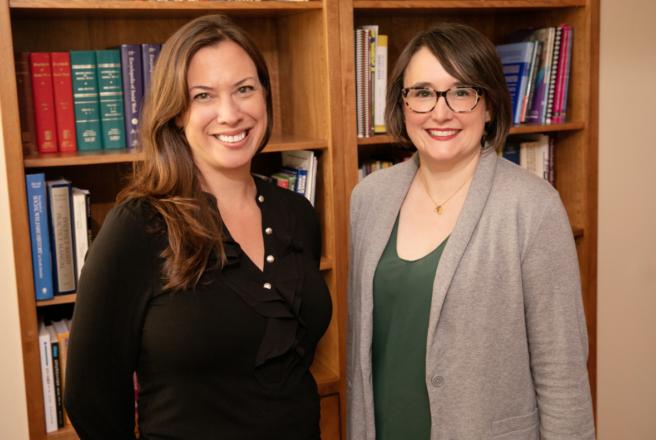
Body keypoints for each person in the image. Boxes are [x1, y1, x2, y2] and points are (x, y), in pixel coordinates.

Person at [64, 14, 332, 440]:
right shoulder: (138, 226)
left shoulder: (296, 212)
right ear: (175, 113)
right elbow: (88, 394)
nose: (230, 114)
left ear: (265, 95)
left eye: (244, 89)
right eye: (203, 95)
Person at [347, 23, 595, 440]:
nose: (440, 112)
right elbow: (363, 352)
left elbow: (562, 372)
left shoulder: (532, 206)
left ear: (490, 106)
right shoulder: (369, 198)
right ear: (402, 104)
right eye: (422, 93)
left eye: (461, 92)